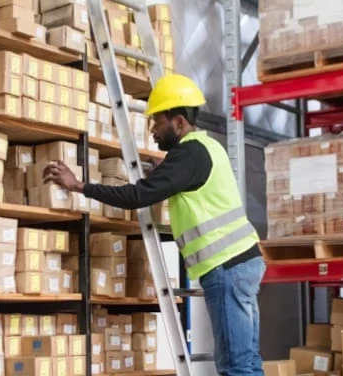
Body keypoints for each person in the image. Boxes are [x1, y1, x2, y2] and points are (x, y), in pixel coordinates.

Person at [43, 74, 265, 376]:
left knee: (235, 366)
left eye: (157, 121)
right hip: (243, 262)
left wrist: (80, 186)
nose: (152, 129)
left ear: (179, 121)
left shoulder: (188, 154)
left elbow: (137, 195)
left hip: (226, 268)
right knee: (247, 360)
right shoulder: (207, 148)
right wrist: (166, 173)